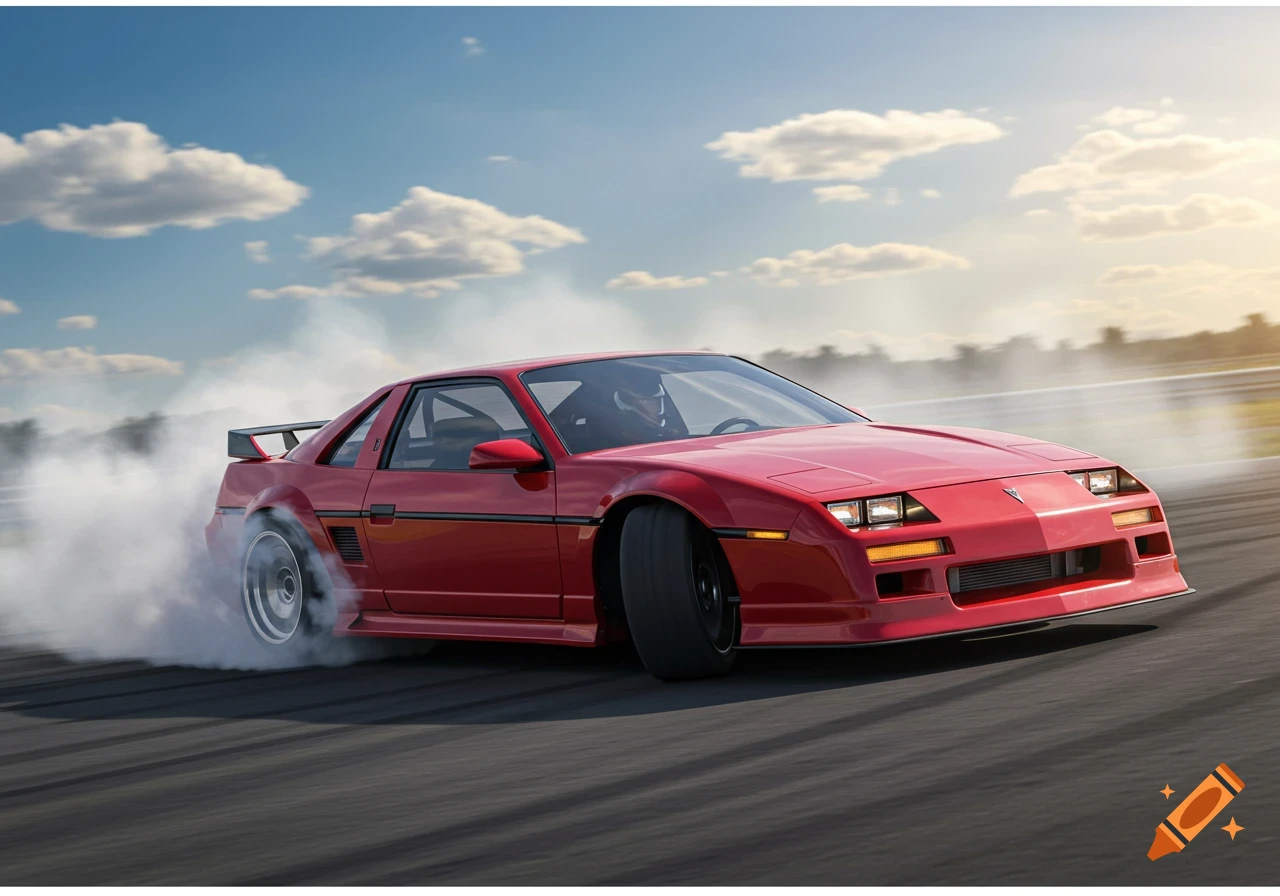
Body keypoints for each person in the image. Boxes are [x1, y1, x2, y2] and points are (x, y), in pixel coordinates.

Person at [606, 366, 687, 447]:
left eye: (654, 400)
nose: (655, 404)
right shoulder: (613, 433)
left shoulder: (675, 428)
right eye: (643, 400)